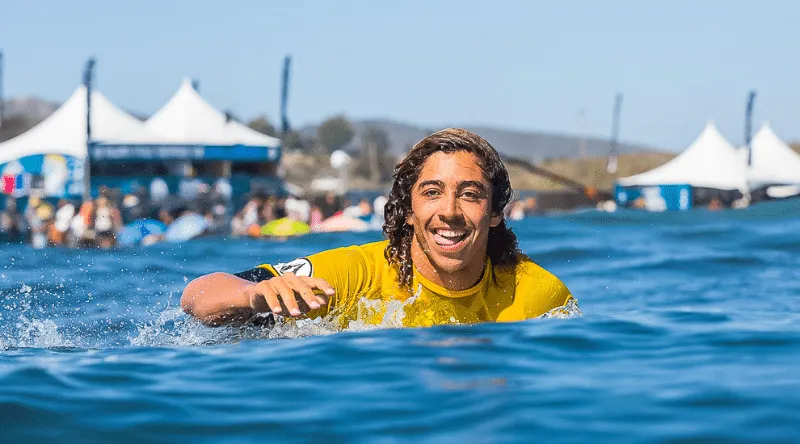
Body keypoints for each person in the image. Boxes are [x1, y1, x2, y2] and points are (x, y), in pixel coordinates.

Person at [181, 128, 575, 328]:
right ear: (408, 210)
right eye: (432, 192)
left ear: (494, 212)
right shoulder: (356, 275)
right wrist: (253, 294)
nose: (450, 211)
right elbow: (197, 295)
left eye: (470, 194)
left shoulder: (541, 296)